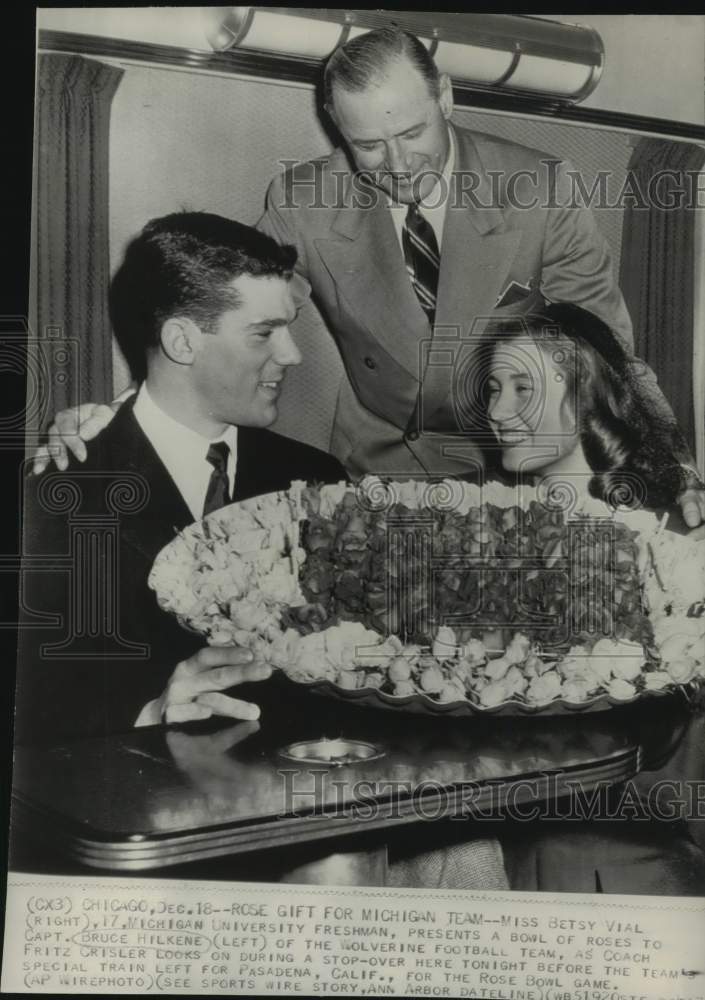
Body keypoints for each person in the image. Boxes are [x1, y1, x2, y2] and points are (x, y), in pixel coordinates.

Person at [32, 26, 705, 529]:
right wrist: (122, 418)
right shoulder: (304, 200)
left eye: (412, 133)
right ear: (335, 126)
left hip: (505, 465)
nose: (397, 164)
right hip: (373, 469)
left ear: (445, 96)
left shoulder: (540, 188)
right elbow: (230, 317)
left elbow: (607, 348)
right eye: (368, 145)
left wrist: (666, 460)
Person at [16, 212, 346, 743]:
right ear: (182, 343)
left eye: (288, 328)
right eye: (264, 333)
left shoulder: (318, 480)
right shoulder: (52, 501)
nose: (293, 354)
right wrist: (149, 713)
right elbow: (30, 716)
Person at [479, 301, 692, 511]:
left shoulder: (662, 536)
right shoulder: (482, 506)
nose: (495, 411)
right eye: (494, 390)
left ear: (585, 398)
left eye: (523, 389)